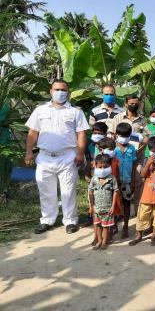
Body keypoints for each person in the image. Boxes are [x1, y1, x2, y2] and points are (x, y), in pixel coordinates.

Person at [25, 79, 89, 234]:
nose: (60, 92)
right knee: (46, 191)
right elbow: (33, 133)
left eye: (63, 90)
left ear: (68, 92)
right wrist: (28, 152)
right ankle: (47, 220)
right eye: (57, 89)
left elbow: (81, 134)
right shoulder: (40, 110)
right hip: (44, 157)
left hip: (67, 157)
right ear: (50, 91)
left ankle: (70, 221)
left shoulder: (75, 112)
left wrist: (80, 153)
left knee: (68, 191)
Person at [129, 136, 155, 246]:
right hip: (147, 192)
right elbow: (142, 175)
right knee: (143, 215)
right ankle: (139, 235)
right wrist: (149, 163)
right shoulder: (147, 160)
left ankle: (154, 235)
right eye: (152, 151)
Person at [88, 154, 120, 250]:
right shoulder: (94, 179)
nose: (102, 169)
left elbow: (115, 192)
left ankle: (104, 242)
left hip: (108, 207)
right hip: (97, 208)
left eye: (105, 167)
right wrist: (91, 206)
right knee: (98, 225)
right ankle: (99, 241)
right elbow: (90, 192)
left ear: (110, 166)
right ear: (95, 166)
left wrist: (113, 206)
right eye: (100, 167)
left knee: (106, 227)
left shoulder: (112, 179)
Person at [114, 123, 137, 239]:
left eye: (126, 135)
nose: (123, 137)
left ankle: (126, 227)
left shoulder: (132, 148)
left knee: (127, 203)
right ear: (116, 135)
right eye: (121, 135)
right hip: (115, 181)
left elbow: (134, 164)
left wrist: (133, 180)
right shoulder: (112, 148)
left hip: (127, 181)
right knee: (115, 203)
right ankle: (114, 226)